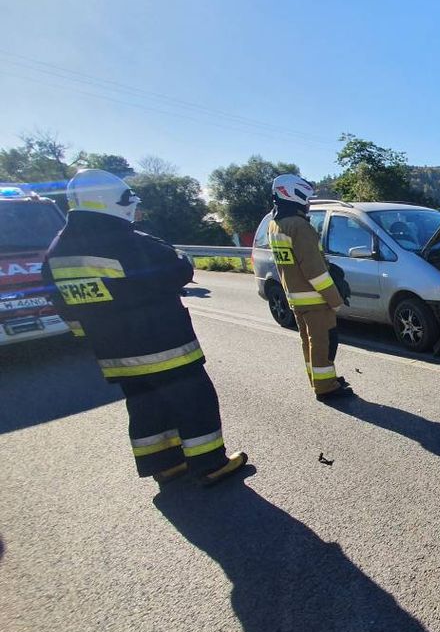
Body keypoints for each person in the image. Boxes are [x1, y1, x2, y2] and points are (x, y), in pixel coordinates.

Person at [42, 169, 248, 487]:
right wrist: (181, 259)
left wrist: (91, 337)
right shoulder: (124, 241)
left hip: (114, 354)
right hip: (163, 345)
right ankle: (210, 463)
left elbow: (62, 303)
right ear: (112, 202)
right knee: (195, 401)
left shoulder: (56, 252)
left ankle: (163, 464)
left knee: (144, 406)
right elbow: (176, 270)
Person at [267, 174, 354, 401]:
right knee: (324, 343)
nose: (308, 203)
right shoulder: (299, 226)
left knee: (309, 343)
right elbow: (314, 271)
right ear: (294, 195)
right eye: (306, 199)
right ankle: (326, 388)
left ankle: (320, 380)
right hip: (315, 299)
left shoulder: (275, 225)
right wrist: (334, 300)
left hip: (295, 297)